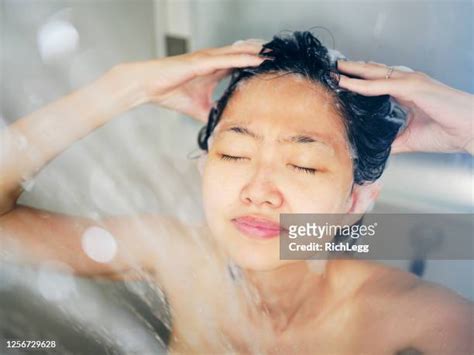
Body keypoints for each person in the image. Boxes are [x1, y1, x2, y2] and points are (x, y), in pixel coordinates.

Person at [0, 31, 472, 354]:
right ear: (205, 167)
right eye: (234, 155)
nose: (259, 192)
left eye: (303, 164)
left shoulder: (426, 323)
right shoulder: (179, 258)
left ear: (356, 201)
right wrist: (126, 85)